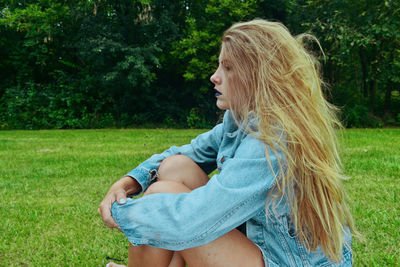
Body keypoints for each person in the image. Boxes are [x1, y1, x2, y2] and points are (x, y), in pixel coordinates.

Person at [99, 19, 357, 267]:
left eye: (228, 68)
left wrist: (125, 212)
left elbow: (197, 218)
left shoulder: (272, 141)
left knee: (158, 201)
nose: (214, 76)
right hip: (262, 248)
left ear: (258, 76)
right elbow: (184, 153)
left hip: (287, 261)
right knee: (175, 167)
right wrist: (128, 183)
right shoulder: (239, 120)